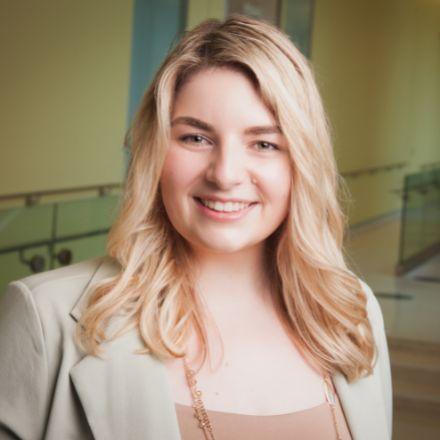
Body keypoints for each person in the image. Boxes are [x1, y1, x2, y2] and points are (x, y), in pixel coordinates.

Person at [0, 13, 392, 440]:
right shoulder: (45, 316)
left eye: (264, 143)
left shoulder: (353, 310)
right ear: (154, 151)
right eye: (195, 138)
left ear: (302, 161)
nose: (225, 174)